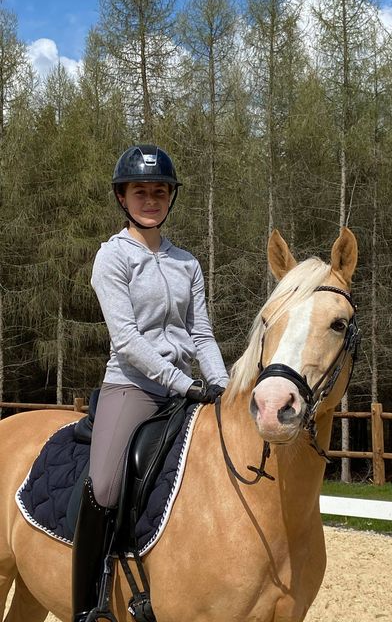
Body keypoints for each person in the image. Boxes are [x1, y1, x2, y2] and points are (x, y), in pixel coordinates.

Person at [71, 144, 229, 622]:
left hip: (188, 389)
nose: (151, 200)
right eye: (141, 191)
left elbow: (201, 333)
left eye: (160, 191)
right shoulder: (111, 259)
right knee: (102, 487)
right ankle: (88, 605)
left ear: (170, 198)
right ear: (123, 197)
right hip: (133, 388)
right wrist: (184, 383)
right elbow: (127, 340)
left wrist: (221, 384)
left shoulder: (187, 263)